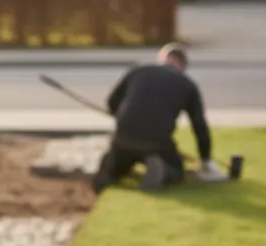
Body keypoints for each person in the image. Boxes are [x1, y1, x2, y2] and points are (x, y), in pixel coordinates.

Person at [92, 43, 223, 193]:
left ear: (162, 59)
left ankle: (112, 170)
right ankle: (163, 171)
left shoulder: (139, 71)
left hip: (124, 135)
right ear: (183, 66)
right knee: (177, 169)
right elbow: (199, 125)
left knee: (123, 157)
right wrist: (206, 159)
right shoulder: (187, 84)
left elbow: (112, 102)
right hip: (157, 141)